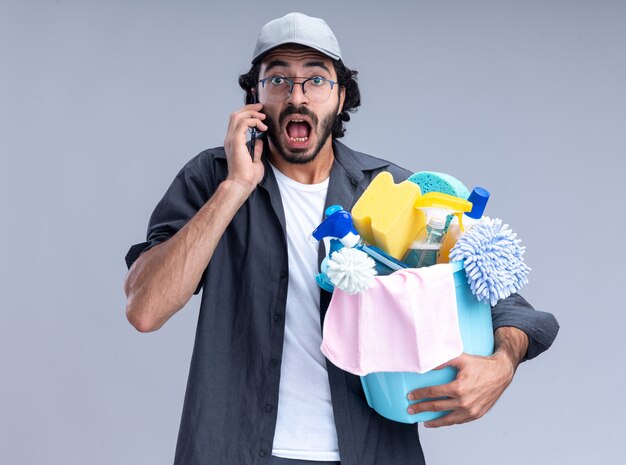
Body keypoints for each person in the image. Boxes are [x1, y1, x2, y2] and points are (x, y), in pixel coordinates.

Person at [124, 12, 559, 465]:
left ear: (341, 95)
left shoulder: (396, 192)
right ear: (255, 96)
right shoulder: (212, 179)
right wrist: (234, 188)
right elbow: (145, 308)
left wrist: (501, 364)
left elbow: (507, 303)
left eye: (315, 79)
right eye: (278, 80)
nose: (297, 96)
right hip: (234, 449)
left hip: (369, 450)